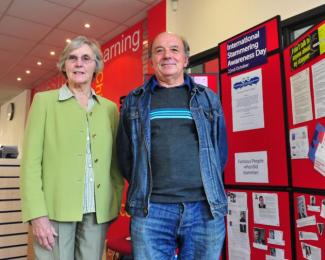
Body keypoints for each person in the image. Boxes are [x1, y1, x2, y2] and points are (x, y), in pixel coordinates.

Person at [117, 32, 228, 259]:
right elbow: (125, 154)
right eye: (159, 50)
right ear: (151, 61)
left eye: (174, 49)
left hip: (204, 208)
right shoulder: (134, 100)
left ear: (186, 59)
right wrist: (143, 184)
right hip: (151, 210)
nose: (167, 55)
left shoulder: (208, 98)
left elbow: (220, 151)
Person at [20, 36, 124, 260]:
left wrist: (113, 201)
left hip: (97, 210)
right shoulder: (44, 102)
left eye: (86, 58)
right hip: (54, 210)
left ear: (96, 65)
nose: (79, 63)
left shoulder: (109, 109)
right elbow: (30, 164)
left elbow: (115, 162)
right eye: (73, 58)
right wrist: (37, 215)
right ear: (64, 65)